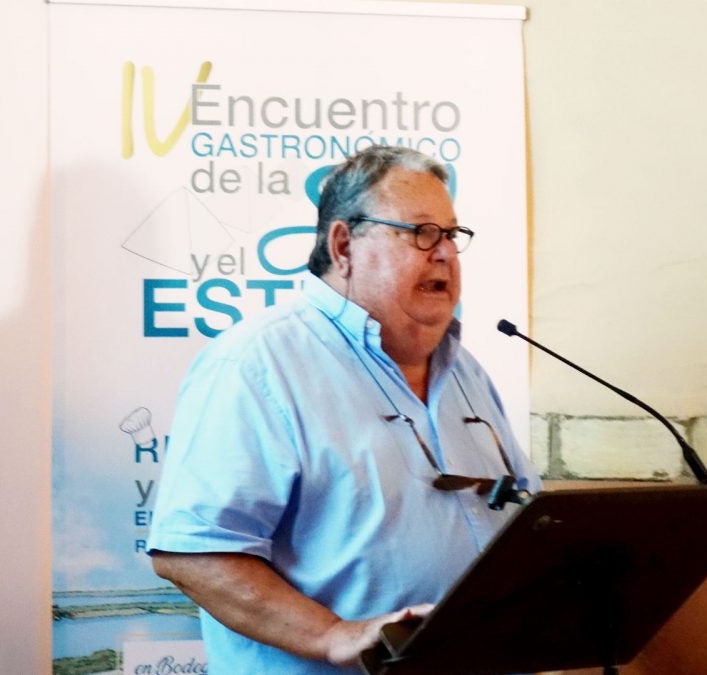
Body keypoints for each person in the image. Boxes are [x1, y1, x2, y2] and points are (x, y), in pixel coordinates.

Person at [146, 145, 541, 673]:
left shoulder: (464, 369)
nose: (445, 253)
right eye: (421, 232)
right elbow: (193, 553)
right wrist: (334, 635)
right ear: (344, 245)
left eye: (451, 235)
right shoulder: (257, 364)